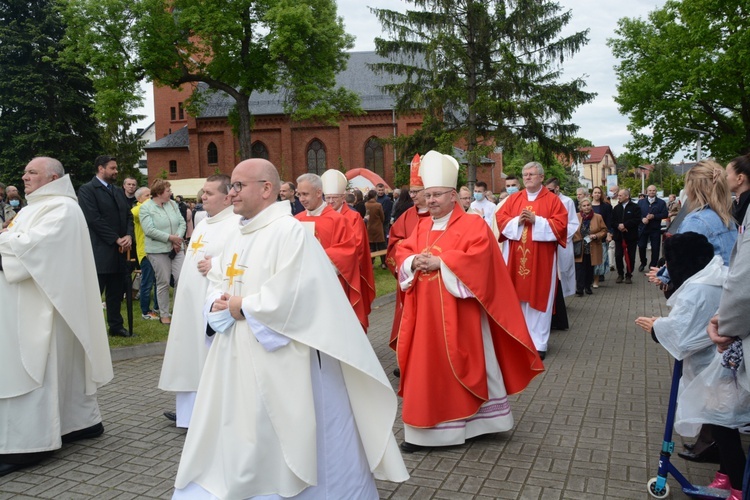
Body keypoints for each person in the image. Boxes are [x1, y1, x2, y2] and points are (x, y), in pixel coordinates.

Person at [172, 158, 408, 499]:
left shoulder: (290, 232)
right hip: (235, 351)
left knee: (289, 433)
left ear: (267, 189)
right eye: (232, 186)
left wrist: (243, 306)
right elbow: (220, 279)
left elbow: (298, 295)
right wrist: (217, 306)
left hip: (286, 357)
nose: (232, 194)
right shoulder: (241, 232)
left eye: (239, 186)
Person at [392, 150, 542, 453]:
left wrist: (443, 264)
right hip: (424, 314)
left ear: (452, 196)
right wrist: (411, 261)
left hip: (461, 314)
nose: (430, 200)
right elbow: (402, 251)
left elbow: (481, 261)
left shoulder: (473, 224)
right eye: (426, 194)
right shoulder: (421, 226)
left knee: (467, 363)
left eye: (436, 195)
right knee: (424, 366)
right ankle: (424, 430)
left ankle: (477, 424)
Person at [0, 157, 113, 476]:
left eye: (31, 172)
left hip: (46, 310)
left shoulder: (63, 208)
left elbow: (34, 249)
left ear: (52, 177)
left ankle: (29, 444)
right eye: (25, 171)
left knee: (37, 369)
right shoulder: (34, 207)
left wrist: (5, 242)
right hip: (30, 303)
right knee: (59, 369)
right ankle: (80, 423)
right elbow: (15, 240)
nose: (24, 176)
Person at [633, 233, 738, 495]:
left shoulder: (700, 288)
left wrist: (657, 327)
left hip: (717, 365)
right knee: (721, 423)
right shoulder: (714, 275)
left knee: (723, 425)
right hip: (719, 363)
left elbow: (685, 335)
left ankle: (737, 486)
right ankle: (726, 473)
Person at [159, 175, 239, 428]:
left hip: (211, 303)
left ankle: (207, 414)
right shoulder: (204, 222)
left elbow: (241, 259)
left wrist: (217, 264)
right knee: (188, 356)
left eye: (209, 193)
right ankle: (187, 414)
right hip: (188, 303)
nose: (203, 197)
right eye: (203, 192)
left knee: (207, 357)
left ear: (227, 197)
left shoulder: (236, 224)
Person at [496, 163, 568, 359]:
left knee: (539, 299)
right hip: (516, 258)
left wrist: (537, 220)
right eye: (525, 174)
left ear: (541, 177)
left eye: (531, 174)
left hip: (541, 260)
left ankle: (539, 343)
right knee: (517, 299)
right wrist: (516, 222)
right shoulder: (514, 199)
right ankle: (520, 339)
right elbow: (501, 219)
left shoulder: (552, 200)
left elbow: (561, 226)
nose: (527, 177)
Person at [295, 173, 364, 328]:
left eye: (305, 194)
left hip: (329, 285)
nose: (302, 199)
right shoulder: (297, 220)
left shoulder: (338, 220)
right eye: (299, 194)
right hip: (302, 286)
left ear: (319, 193)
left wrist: (317, 264)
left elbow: (347, 252)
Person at [78, 155, 134, 337]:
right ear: (101, 169)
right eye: (112, 168)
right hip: (100, 250)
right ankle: (90, 329)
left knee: (116, 293)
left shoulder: (117, 191)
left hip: (120, 252)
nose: (116, 171)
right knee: (95, 293)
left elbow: (128, 216)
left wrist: (128, 235)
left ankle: (116, 326)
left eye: (116, 168)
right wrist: (115, 239)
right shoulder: (87, 190)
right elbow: (94, 219)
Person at [386, 154, 430, 374]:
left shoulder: (439, 215)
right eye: (411, 191)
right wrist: (407, 258)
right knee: (407, 321)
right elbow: (393, 244)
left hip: (432, 280)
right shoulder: (406, 216)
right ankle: (406, 363)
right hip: (408, 279)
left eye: (416, 192)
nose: (412, 196)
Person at [321, 169, 375, 332]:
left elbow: (357, 245)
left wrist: (331, 260)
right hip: (324, 273)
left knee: (348, 314)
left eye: (334, 198)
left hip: (346, 274)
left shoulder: (353, 217)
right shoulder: (322, 216)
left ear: (342, 198)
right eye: (327, 197)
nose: (330, 202)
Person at [139, 179, 186, 325]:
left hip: (177, 249)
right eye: (168, 191)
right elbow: (149, 230)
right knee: (164, 281)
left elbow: (182, 222)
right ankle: (164, 314)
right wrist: (170, 238)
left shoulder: (173, 204)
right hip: (157, 251)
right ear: (159, 193)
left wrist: (177, 239)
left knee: (181, 279)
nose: (171, 193)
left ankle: (180, 311)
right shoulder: (146, 208)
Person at [131, 187, 159, 320]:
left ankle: (157, 308)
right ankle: (145, 311)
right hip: (145, 252)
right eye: (147, 195)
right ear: (139, 199)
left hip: (157, 249)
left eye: (151, 195)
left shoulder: (153, 207)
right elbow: (136, 213)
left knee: (159, 281)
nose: (150, 197)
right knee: (147, 283)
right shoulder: (136, 209)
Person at [572, 198, 607, 296]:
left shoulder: (598, 217)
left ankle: (587, 287)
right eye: (584, 206)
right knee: (579, 269)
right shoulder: (576, 216)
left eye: (588, 205)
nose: (586, 207)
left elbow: (604, 230)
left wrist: (596, 235)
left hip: (592, 247)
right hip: (579, 247)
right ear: (580, 207)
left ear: (591, 206)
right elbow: (571, 229)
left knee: (589, 269)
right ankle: (579, 289)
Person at [636, 185, 669, 272]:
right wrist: (642, 218)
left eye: (653, 190)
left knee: (655, 248)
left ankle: (653, 265)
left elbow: (665, 214)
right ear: (647, 192)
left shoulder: (661, 203)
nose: (652, 192)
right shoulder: (641, 202)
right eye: (650, 190)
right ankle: (643, 262)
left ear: (656, 192)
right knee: (641, 246)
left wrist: (654, 216)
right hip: (643, 228)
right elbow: (636, 214)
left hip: (655, 229)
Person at [611, 189, 640, 284]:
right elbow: (612, 221)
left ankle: (629, 275)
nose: (618, 197)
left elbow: (637, 220)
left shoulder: (635, 207)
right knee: (618, 256)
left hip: (631, 237)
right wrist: (618, 226)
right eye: (618, 195)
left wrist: (626, 225)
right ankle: (620, 274)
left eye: (620, 195)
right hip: (619, 237)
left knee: (631, 257)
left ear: (627, 196)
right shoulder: (616, 208)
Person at [590, 186, 613, 288]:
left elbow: (609, 221)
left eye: (599, 193)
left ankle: (599, 275)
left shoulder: (606, 207)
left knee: (601, 257)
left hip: (601, 235)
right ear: (592, 194)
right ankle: (591, 277)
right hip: (589, 236)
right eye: (595, 192)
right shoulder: (587, 205)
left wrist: (609, 233)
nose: (597, 194)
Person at [365, 189, 387, 269]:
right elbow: (382, 217)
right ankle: (384, 263)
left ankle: (371, 264)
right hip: (378, 228)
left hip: (369, 228)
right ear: (375, 196)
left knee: (371, 247)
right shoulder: (378, 205)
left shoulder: (366, 204)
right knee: (382, 247)